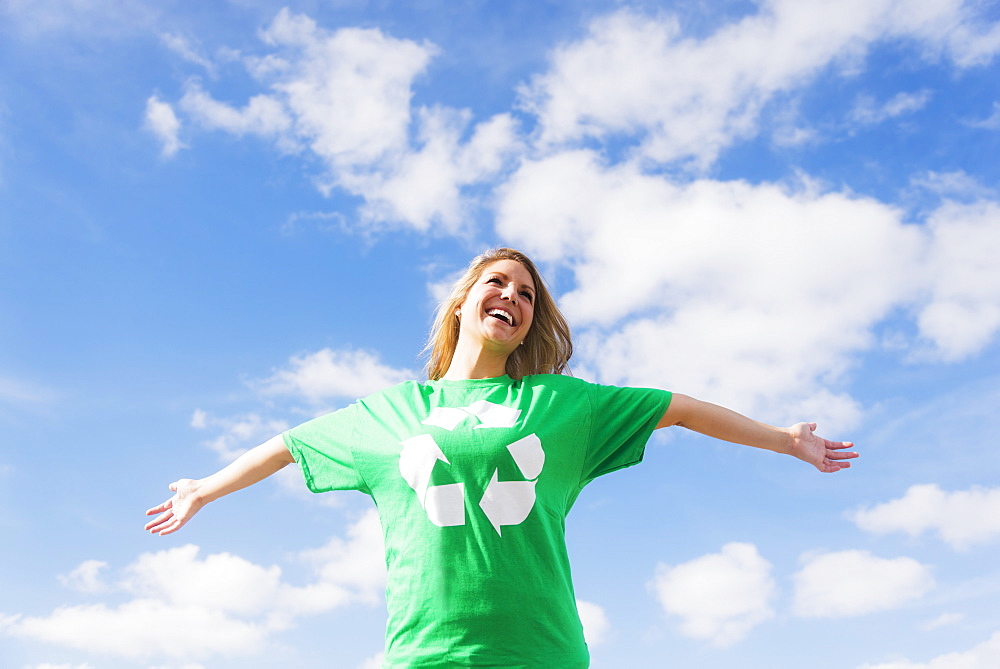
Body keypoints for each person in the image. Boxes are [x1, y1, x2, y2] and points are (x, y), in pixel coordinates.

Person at [145, 247, 857, 668]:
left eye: (526, 294)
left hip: (540, 651)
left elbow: (681, 407)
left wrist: (785, 440)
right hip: (426, 653)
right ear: (461, 302)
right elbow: (288, 446)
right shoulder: (385, 414)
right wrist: (203, 488)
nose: (512, 297)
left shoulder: (562, 405)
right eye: (498, 284)